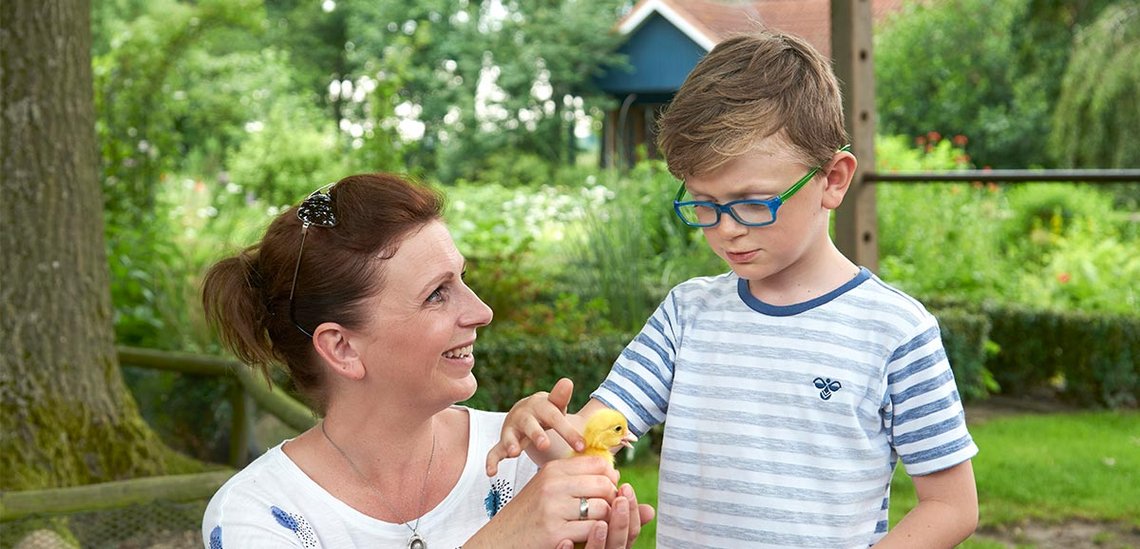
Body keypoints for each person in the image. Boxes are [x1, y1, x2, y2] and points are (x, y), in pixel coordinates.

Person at [486, 30, 979, 548]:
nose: (726, 229)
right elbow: (588, 444)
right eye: (704, 204)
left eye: (751, 202)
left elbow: (951, 505)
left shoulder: (896, 332)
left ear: (833, 179)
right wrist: (541, 432)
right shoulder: (685, 316)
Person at [200, 173, 653, 549]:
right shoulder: (258, 514)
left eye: (462, 279)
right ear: (342, 348)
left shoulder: (524, 459)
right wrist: (504, 539)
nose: (481, 312)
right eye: (437, 293)